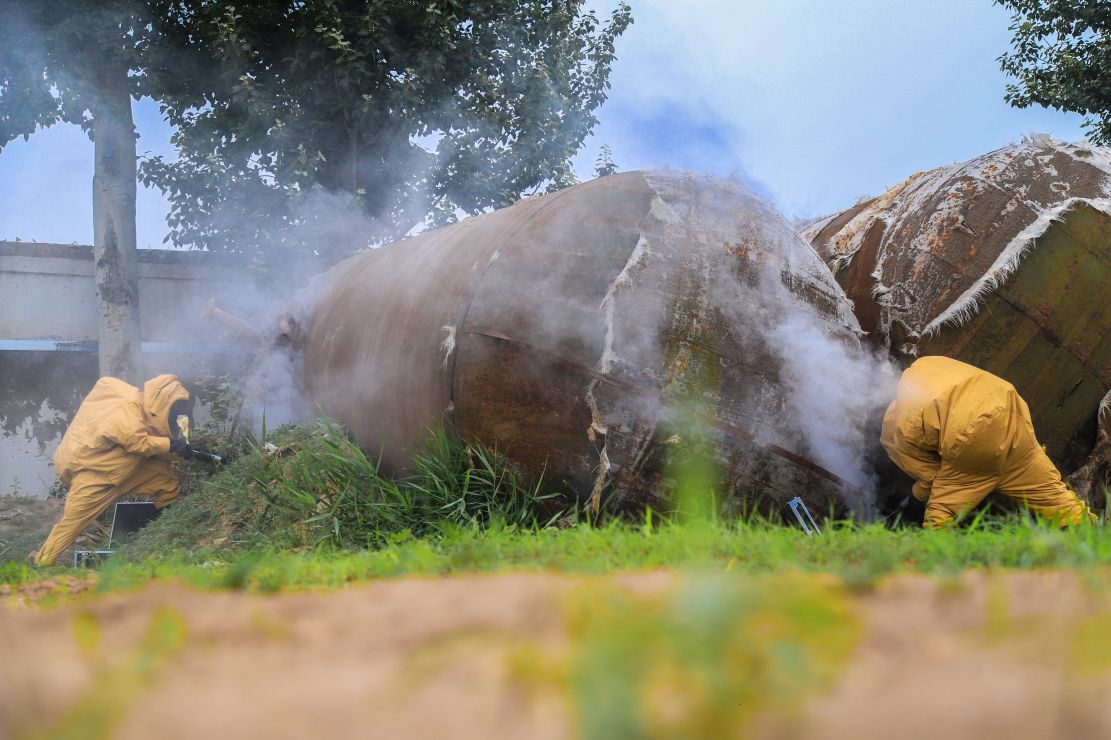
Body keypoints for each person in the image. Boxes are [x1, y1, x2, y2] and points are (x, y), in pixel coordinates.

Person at [880, 355, 1094, 528]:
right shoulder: (927, 364)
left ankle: (931, 559)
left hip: (970, 435)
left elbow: (930, 477)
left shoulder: (894, 432)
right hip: (1010, 416)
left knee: (942, 512)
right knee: (1056, 498)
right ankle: (1096, 536)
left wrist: (918, 496)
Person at [35, 374, 195, 565]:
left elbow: (161, 446)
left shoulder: (149, 412)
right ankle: (42, 563)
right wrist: (173, 445)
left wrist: (183, 446)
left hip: (125, 468)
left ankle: (173, 533)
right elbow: (140, 443)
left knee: (166, 479)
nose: (175, 414)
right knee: (72, 524)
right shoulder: (129, 409)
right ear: (163, 402)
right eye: (175, 409)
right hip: (95, 474)